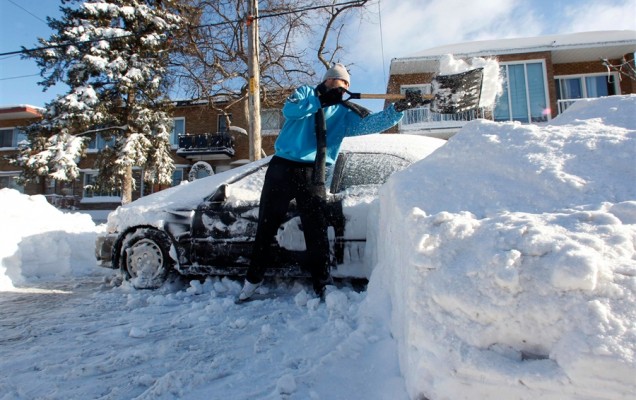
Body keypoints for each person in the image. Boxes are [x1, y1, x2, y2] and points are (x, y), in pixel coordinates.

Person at [238, 63, 416, 301]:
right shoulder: (304, 94)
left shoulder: (344, 113)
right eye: (336, 82)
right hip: (282, 167)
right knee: (267, 225)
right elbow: (290, 111)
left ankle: (323, 284)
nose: (340, 87)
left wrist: (398, 109)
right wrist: (320, 101)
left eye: (344, 85)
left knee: (316, 230)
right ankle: (252, 280)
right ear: (327, 81)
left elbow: (372, 123)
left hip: (314, 172)